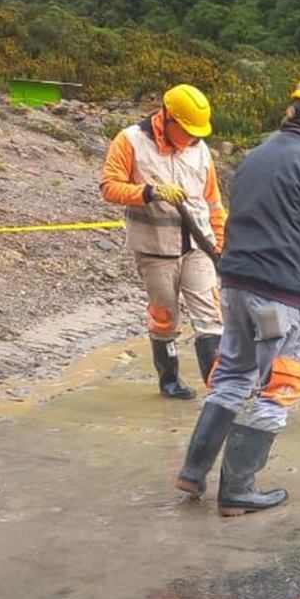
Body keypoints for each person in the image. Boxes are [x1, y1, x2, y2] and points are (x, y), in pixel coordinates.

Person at [174, 73, 300, 516]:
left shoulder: (255, 157)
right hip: (280, 297)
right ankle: (237, 488)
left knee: (232, 377)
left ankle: (193, 471)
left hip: (235, 287)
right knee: (281, 386)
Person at [99, 84, 226, 400]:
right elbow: (109, 187)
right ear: (168, 118)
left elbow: (213, 201)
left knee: (210, 315)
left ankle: (219, 389)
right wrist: (148, 192)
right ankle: (169, 380)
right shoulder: (130, 141)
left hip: (199, 247)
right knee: (164, 315)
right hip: (155, 248)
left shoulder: (200, 148)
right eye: (187, 131)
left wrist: (220, 242)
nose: (193, 138)